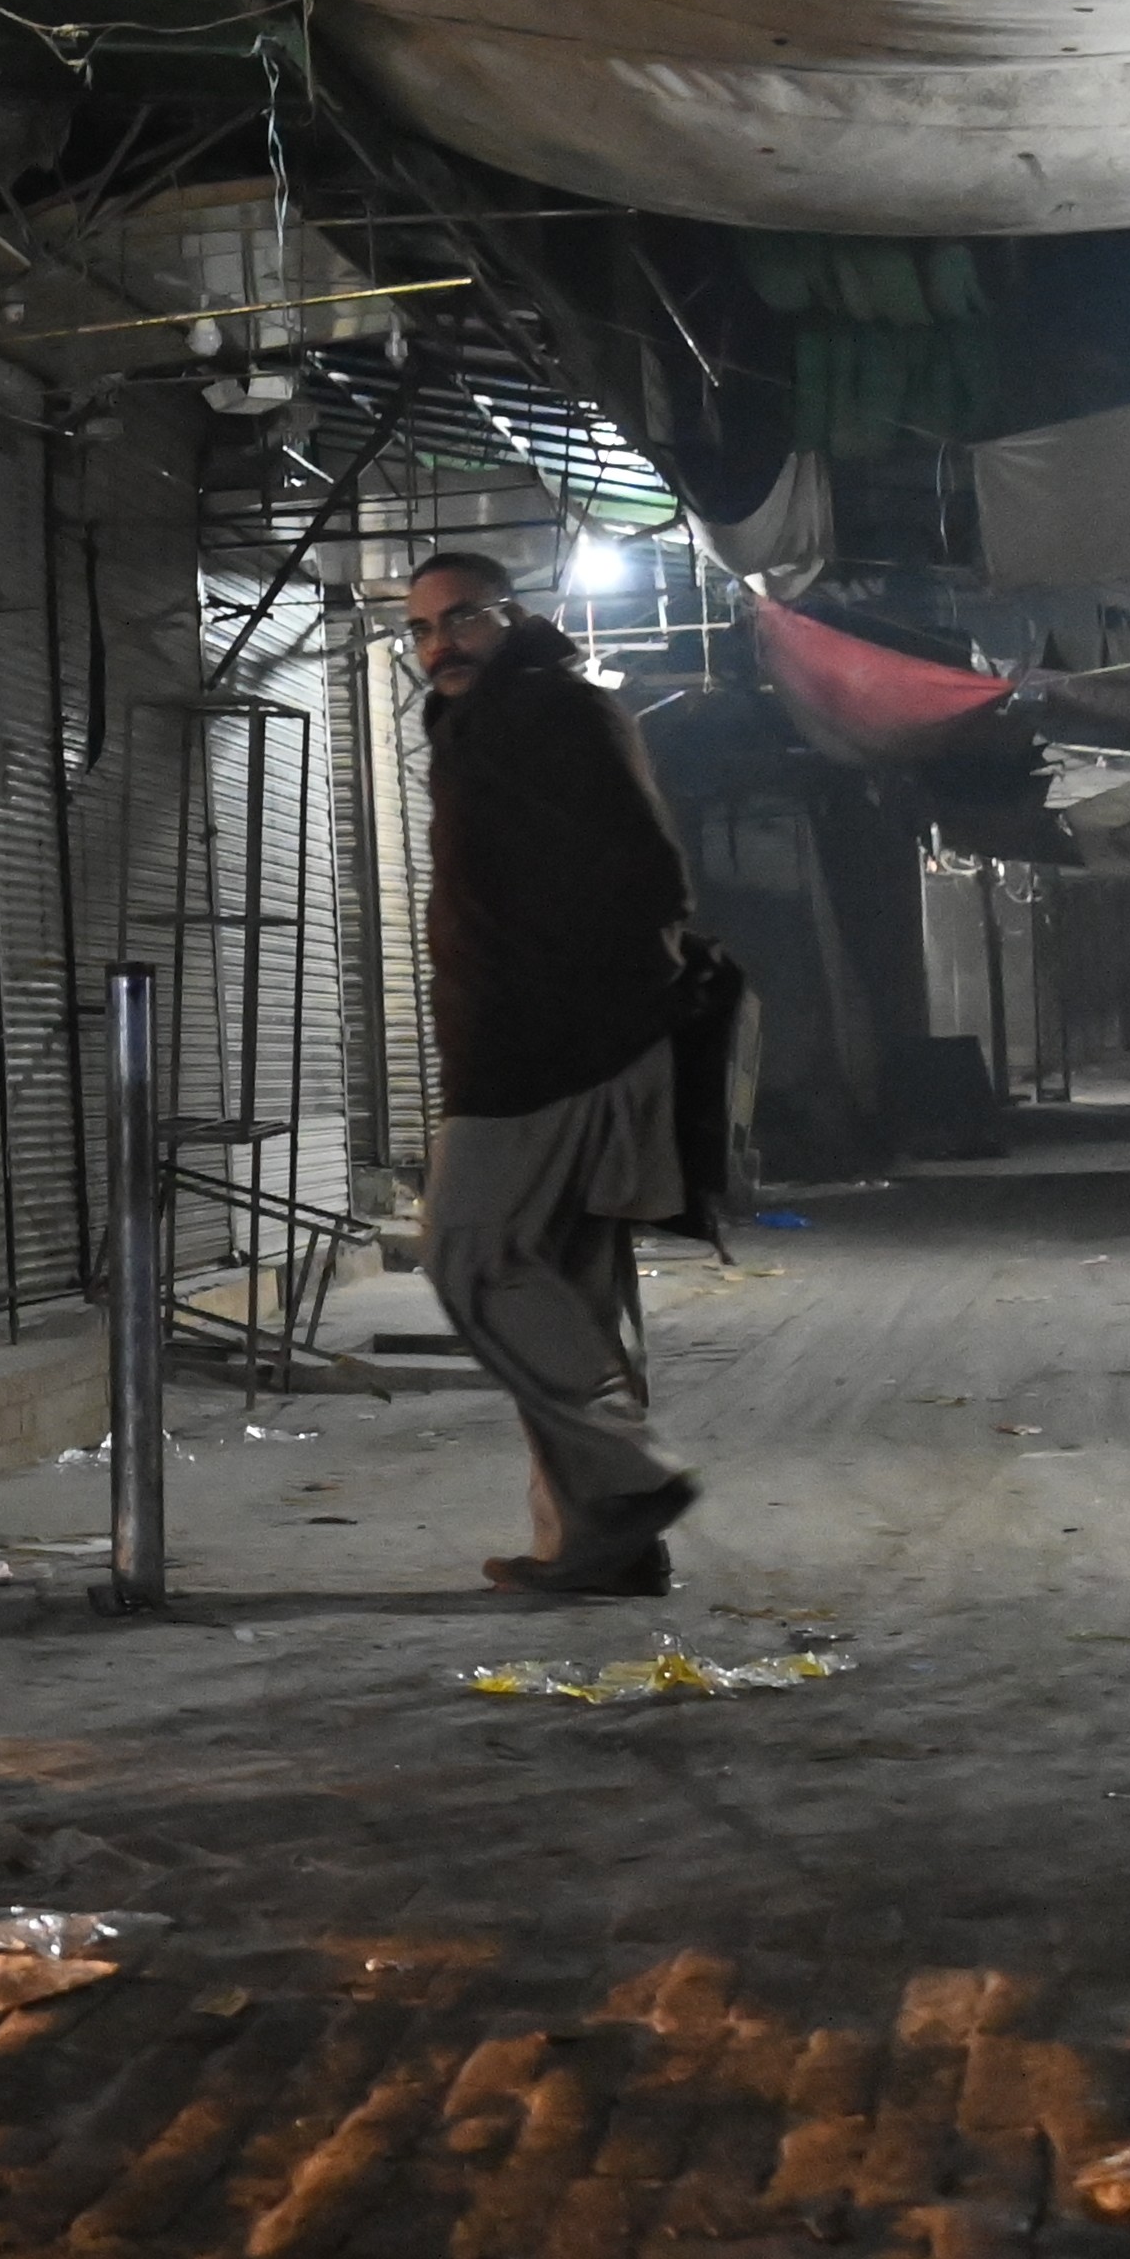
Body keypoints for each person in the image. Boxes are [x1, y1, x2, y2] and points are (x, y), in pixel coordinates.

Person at [405, 548, 707, 1598]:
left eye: (463, 619)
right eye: (422, 629)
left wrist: (591, 1012)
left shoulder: (547, 711)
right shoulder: (505, 717)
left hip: (537, 1052)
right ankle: (604, 1546)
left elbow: (650, 876)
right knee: (570, 1287)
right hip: (553, 1041)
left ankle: (628, 1479)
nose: (440, 645)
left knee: (469, 1253)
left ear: (513, 617)